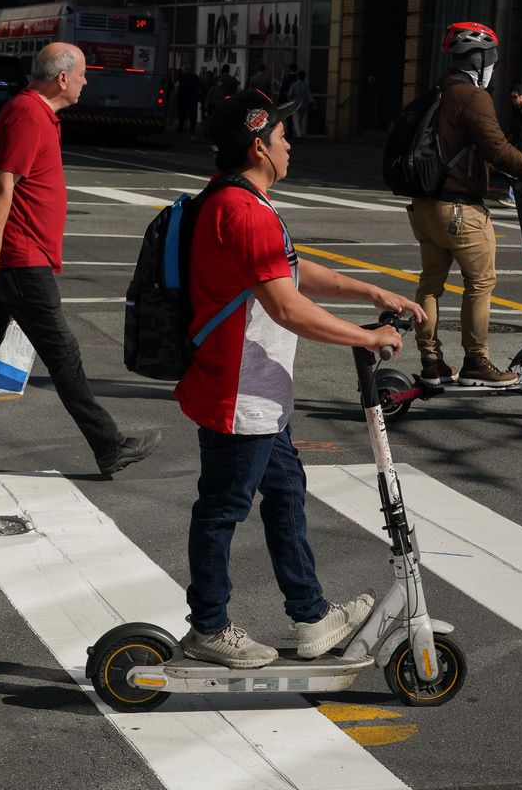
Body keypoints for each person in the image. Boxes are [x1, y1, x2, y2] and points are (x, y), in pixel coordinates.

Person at [178, 89, 424, 668]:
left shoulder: (244, 203)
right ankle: (208, 626)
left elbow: (290, 267)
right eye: (284, 136)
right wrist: (366, 337)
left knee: (286, 494)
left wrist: (370, 290)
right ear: (259, 145)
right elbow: (286, 307)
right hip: (238, 393)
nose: (291, 145)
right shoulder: (240, 211)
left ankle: (312, 617)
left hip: (259, 391)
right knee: (221, 509)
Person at [0, 42, 161, 478]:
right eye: (83, 74)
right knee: (63, 354)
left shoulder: (36, 113)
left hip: (16, 257)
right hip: (19, 258)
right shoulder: (30, 114)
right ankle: (109, 446)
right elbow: (2, 186)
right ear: (62, 78)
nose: (87, 81)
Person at [405, 22, 522, 387]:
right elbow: (498, 148)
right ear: (481, 58)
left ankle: (431, 362)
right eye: (492, 60)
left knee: (430, 285)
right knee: (480, 283)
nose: (493, 68)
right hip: (459, 210)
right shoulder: (472, 96)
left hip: (425, 207)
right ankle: (476, 361)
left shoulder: (439, 90)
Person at [175, 65, 203, 135]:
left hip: (182, 98)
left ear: (184, 70)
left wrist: (176, 96)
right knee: (192, 115)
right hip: (193, 99)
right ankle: (192, 130)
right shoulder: (195, 77)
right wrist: (199, 97)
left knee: (182, 114)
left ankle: (180, 127)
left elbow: (177, 86)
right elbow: (199, 87)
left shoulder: (181, 77)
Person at [285, 69, 312, 139]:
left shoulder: (294, 85)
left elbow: (290, 95)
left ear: (298, 77)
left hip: (296, 105)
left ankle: (298, 135)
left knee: (296, 121)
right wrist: (311, 102)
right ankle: (299, 134)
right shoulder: (306, 85)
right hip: (304, 105)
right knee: (300, 120)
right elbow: (309, 96)